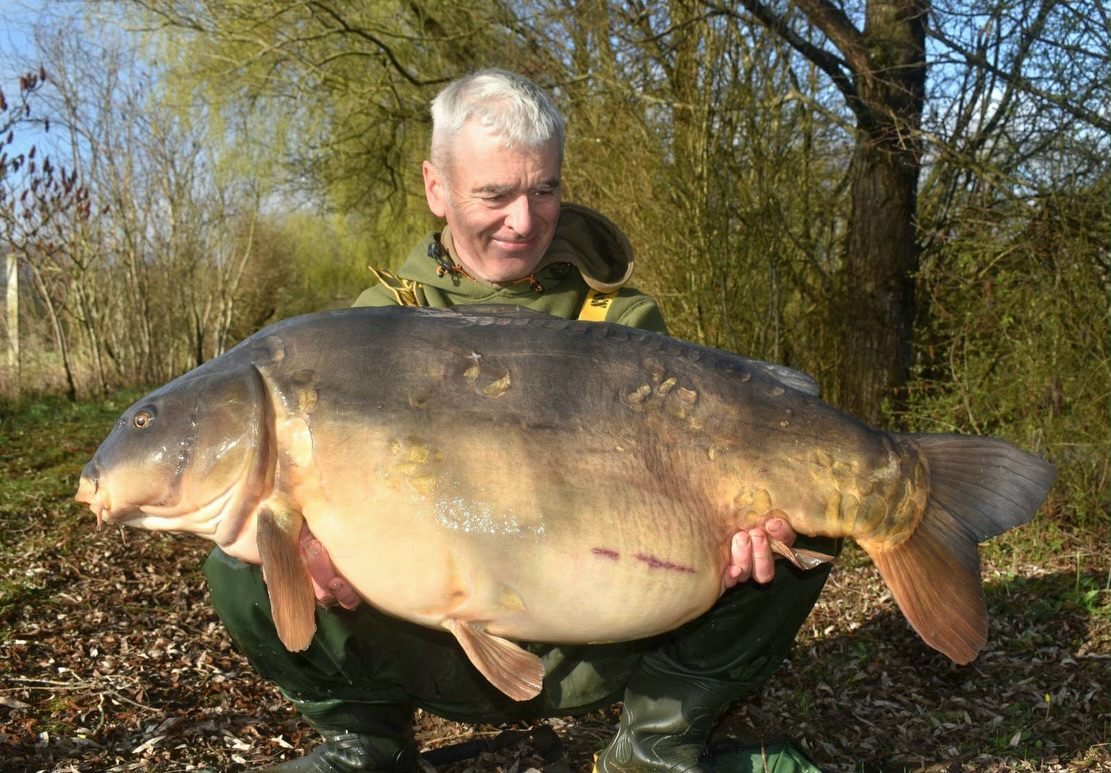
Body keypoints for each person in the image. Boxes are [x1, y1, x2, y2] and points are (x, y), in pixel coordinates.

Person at [203, 69, 838, 772]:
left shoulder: (620, 319)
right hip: (422, 639)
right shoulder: (364, 334)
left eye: (544, 189)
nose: (525, 220)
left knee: (810, 500)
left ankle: (656, 745)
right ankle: (365, 743)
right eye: (494, 194)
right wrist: (314, 557)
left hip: (605, 630)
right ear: (435, 187)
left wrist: (732, 532)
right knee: (241, 555)